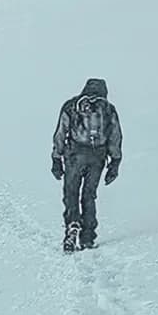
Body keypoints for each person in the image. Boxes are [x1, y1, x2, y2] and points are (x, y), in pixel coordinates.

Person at [50, 77, 122, 250]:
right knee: (89, 195)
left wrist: (56, 158)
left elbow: (61, 132)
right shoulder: (108, 109)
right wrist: (115, 162)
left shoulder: (71, 106)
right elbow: (115, 137)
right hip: (98, 156)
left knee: (71, 191)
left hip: (74, 155)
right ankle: (88, 236)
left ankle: (72, 224)